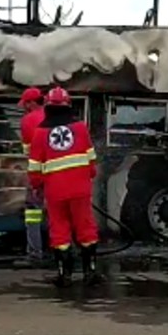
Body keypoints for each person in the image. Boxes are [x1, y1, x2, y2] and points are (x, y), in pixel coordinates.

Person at [26, 87, 103, 287]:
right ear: (68, 105)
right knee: (85, 227)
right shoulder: (80, 127)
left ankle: (64, 275)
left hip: (55, 191)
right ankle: (90, 272)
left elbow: (34, 167)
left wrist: (37, 186)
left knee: (59, 230)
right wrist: (89, 176)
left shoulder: (40, 132)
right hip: (80, 189)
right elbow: (91, 160)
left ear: (48, 106)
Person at [18, 87, 47, 265]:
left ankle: (35, 253)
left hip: (38, 172)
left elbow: (29, 152)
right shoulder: (53, 116)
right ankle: (64, 251)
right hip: (59, 173)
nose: (23, 108)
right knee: (59, 213)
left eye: (25, 104)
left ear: (31, 103)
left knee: (32, 211)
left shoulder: (28, 121)